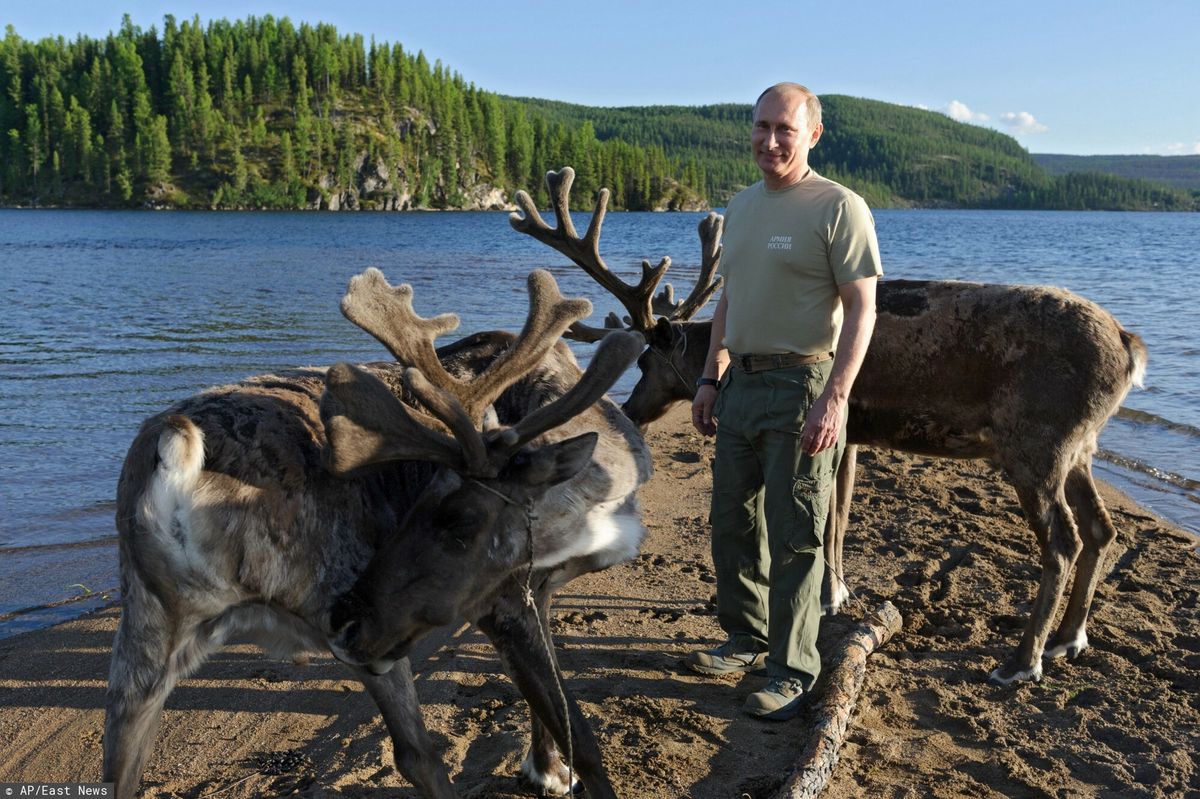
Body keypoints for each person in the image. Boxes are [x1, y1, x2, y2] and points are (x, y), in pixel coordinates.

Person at [688, 82, 882, 720]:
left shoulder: (839, 207)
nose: (770, 141)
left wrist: (835, 399)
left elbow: (862, 309)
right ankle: (744, 638)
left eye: (785, 130)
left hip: (804, 387)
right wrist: (711, 377)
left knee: (797, 534)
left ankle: (793, 668)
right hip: (741, 384)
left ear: (812, 135)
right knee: (732, 524)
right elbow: (728, 302)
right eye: (762, 127)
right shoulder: (741, 208)